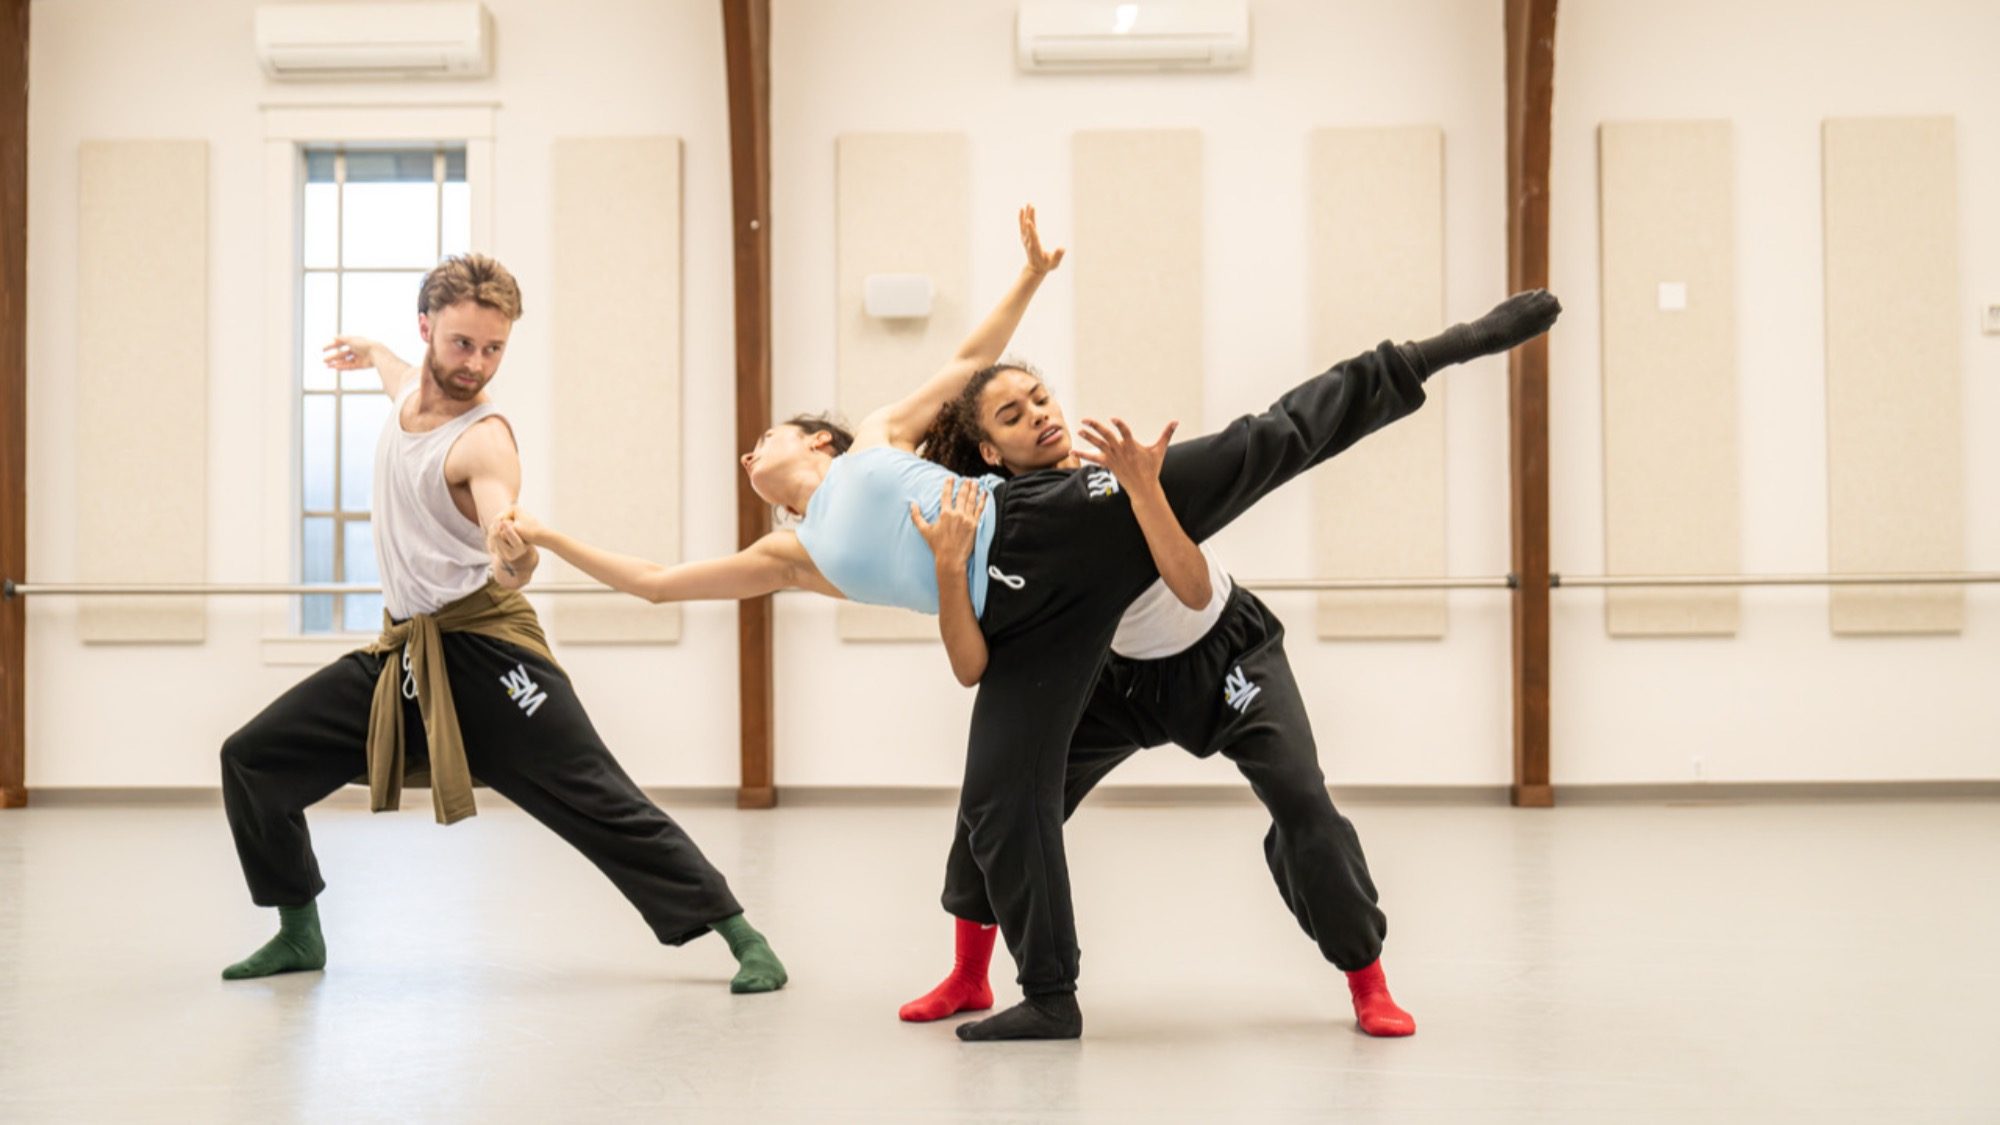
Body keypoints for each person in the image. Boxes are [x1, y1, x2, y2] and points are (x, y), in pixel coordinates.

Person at [503, 206, 1561, 1038]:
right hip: (1054, 635)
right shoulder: (793, 554)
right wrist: (546, 534)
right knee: (997, 803)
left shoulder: (879, 438)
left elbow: (972, 365)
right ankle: (993, 981)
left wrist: (1028, 279)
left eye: (762, 439)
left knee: (1265, 448)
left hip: (1148, 596)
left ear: (812, 442)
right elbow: (650, 582)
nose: (750, 455)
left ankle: (1442, 349)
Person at [217, 254, 786, 995]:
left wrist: (510, 554)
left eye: (494, 348)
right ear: (426, 327)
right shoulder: (403, 395)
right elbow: (397, 375)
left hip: (490, 651)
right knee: (253, 758)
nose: (476, 363)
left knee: (598, 794)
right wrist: (372, 353)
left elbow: (503, 532)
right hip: (407, 651)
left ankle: (743, 936)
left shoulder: (484, 440)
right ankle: (298, 931)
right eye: (462, 343)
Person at [901, 384, 1414, 1037]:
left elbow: (1196, 592)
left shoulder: (1114, 486)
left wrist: (1144, 488)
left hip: (1224, 657)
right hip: (1117, 682)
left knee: (1302, 799)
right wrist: (948, 566)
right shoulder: (1004, 532)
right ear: (989, 451)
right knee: (998, 801)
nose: (1037, 414)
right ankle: (969, 974)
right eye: (1012, 415)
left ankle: (1368, 980)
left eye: (1038, 399)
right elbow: (976, 661)